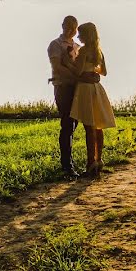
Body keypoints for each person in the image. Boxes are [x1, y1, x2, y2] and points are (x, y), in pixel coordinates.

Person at [69, 22, 115, 177]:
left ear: (86, 35)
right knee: (98, 126)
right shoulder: (98, 51)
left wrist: (68, 62)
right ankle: (99, 159)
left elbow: (78, 72)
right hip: (97, 89)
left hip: (85, 89)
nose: (78, 36)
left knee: (89, 126)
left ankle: (90, 162)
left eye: (80, 34)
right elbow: (104, 72)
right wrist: (94, 72)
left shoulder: (83, 51)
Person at [48, 15, 81, 177]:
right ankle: (66, 164)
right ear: (62, 26)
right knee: (67, 124)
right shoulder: (55, 45)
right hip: (63, 86)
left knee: (75, 123)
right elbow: (57, 66)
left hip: (78, 88)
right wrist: (76, 76)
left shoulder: (77, 46)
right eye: (67, 26)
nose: (70, 30)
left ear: (76, 29)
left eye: (73, 27)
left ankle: (69, 160)